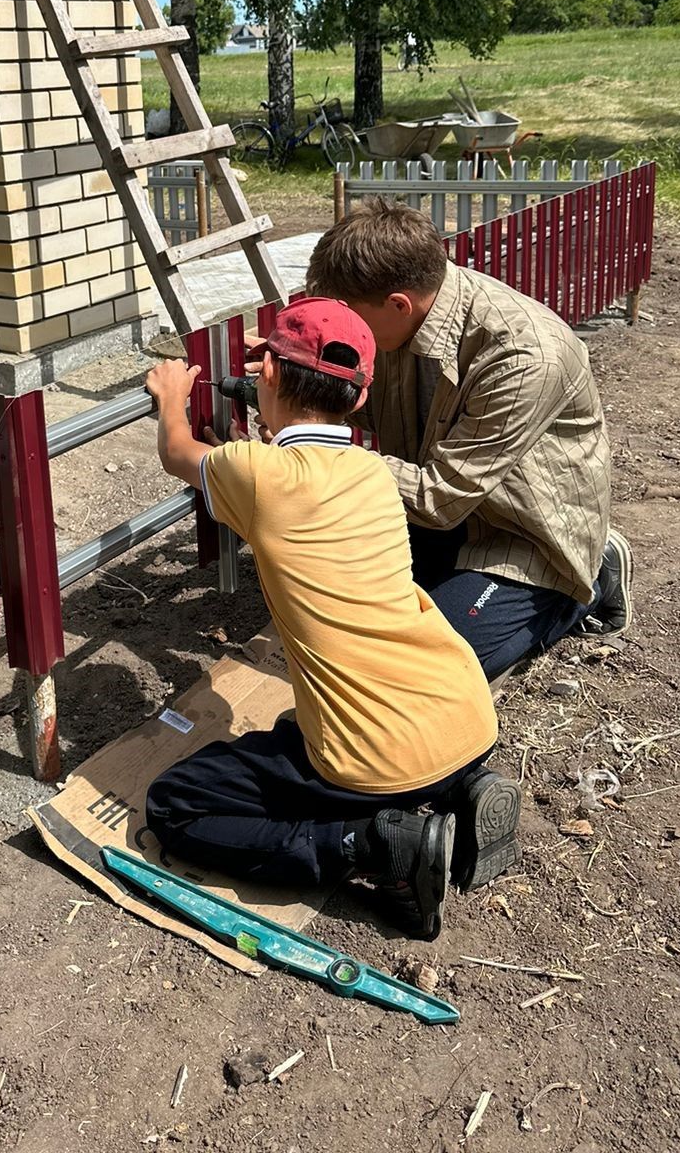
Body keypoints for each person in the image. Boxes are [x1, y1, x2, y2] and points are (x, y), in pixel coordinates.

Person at [142, 299, 520, 941]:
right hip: (464, 712)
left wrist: (171, 395)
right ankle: (461, 788)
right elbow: (292, 488)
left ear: (265, 377)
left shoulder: (255, 473)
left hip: (370, 757)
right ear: (361, 394)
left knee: (177, 800)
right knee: (298, 727)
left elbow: (180, 453)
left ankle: (368, 844)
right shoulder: (371, 473)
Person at [305, 199, 632, 682]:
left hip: (518, 538)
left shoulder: (524, 357)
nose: (346, 329)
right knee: (345, 613)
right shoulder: (406, 317)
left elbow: (439, 498)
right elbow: (369, 410)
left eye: (350, 315)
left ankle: (583, 584)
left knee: (426, 672)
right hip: (444, 516)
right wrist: (292, 393)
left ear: (398, 303)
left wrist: (314, 445)